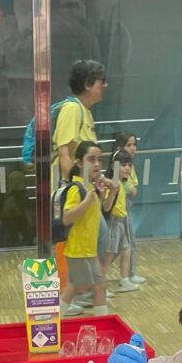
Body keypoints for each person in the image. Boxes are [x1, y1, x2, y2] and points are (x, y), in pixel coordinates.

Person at [58, 140, 115, 319]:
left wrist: (110, 192)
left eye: (99, 160)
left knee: (83, 287)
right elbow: (67, 217)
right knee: (94, 287)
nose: (97, 164)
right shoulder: (77, 189)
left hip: (86, 250)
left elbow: (103, 210)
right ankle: (51, 322)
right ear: (79, 163)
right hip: (79, 251)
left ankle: (51, 322)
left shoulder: (90, 187)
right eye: (91, 159)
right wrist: (86, 202)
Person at [52, 59, 107, 181]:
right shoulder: (72, 109)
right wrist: (75, 188)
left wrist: (101, 180)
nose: (105, 85)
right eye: (102, 81)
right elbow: (64, 154)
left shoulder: (85, 111)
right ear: (87, 84)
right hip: (70, 189)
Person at [111, 130, 147, 284]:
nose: (132, 148)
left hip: (127, 205)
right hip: (121, 207)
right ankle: (127, 275)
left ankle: (129, 274)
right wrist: (130, 189)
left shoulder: (129, 164)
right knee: (124, 243)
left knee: (127, 242)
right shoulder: (118, 165)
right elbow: (122, 184)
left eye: (134, 145)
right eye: (128, 145)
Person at [103, 150, 139, 294]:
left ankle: (124, 280)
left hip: (122, 220)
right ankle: (99, 286)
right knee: (109, 254)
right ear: (114, 166)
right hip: (113, 221)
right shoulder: (111, 184)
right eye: (123, 165)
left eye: (129, 165)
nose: (127, 168)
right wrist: (112, 190)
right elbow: (106, 206)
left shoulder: (122, 183)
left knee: (126, 249)